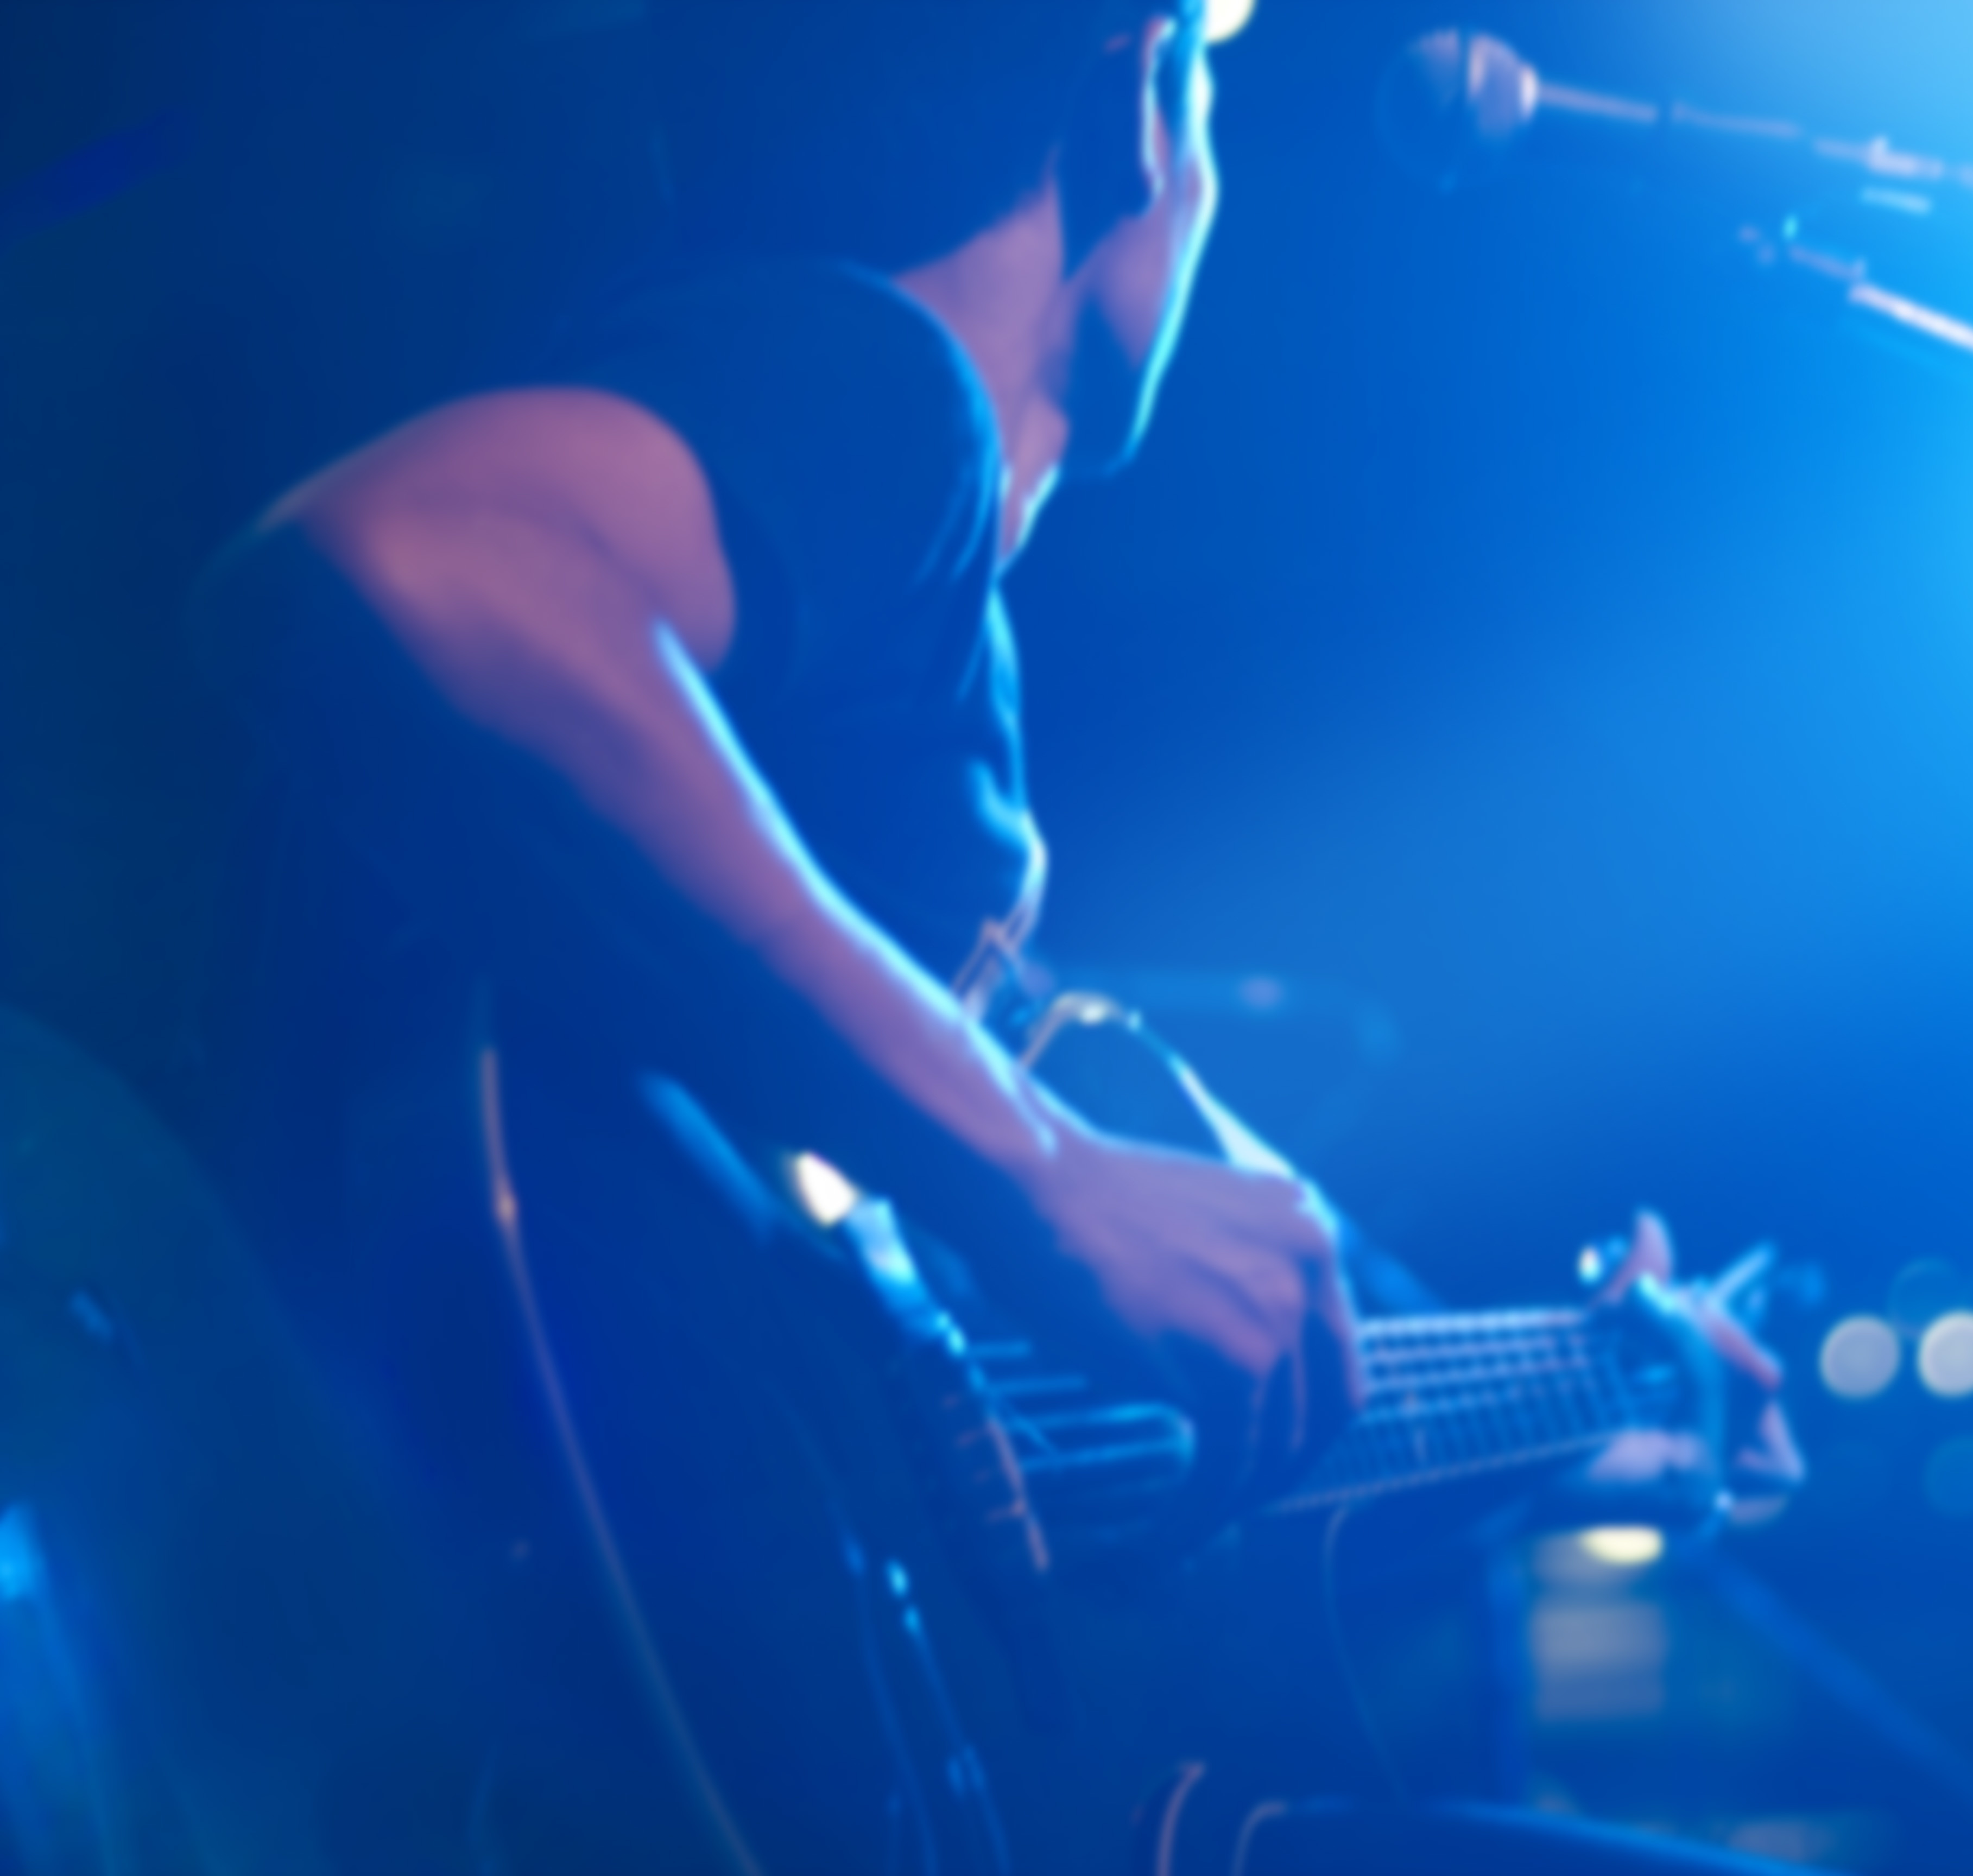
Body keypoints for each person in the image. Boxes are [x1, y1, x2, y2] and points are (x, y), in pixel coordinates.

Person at [188, 1, 1801, 1867]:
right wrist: (1039, 1175)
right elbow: (413, 554)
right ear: (1137, 104)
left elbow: (1032, 1428)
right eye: (1215, 112)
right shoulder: (879, 385)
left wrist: (1587, 1411)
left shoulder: (856, 598)